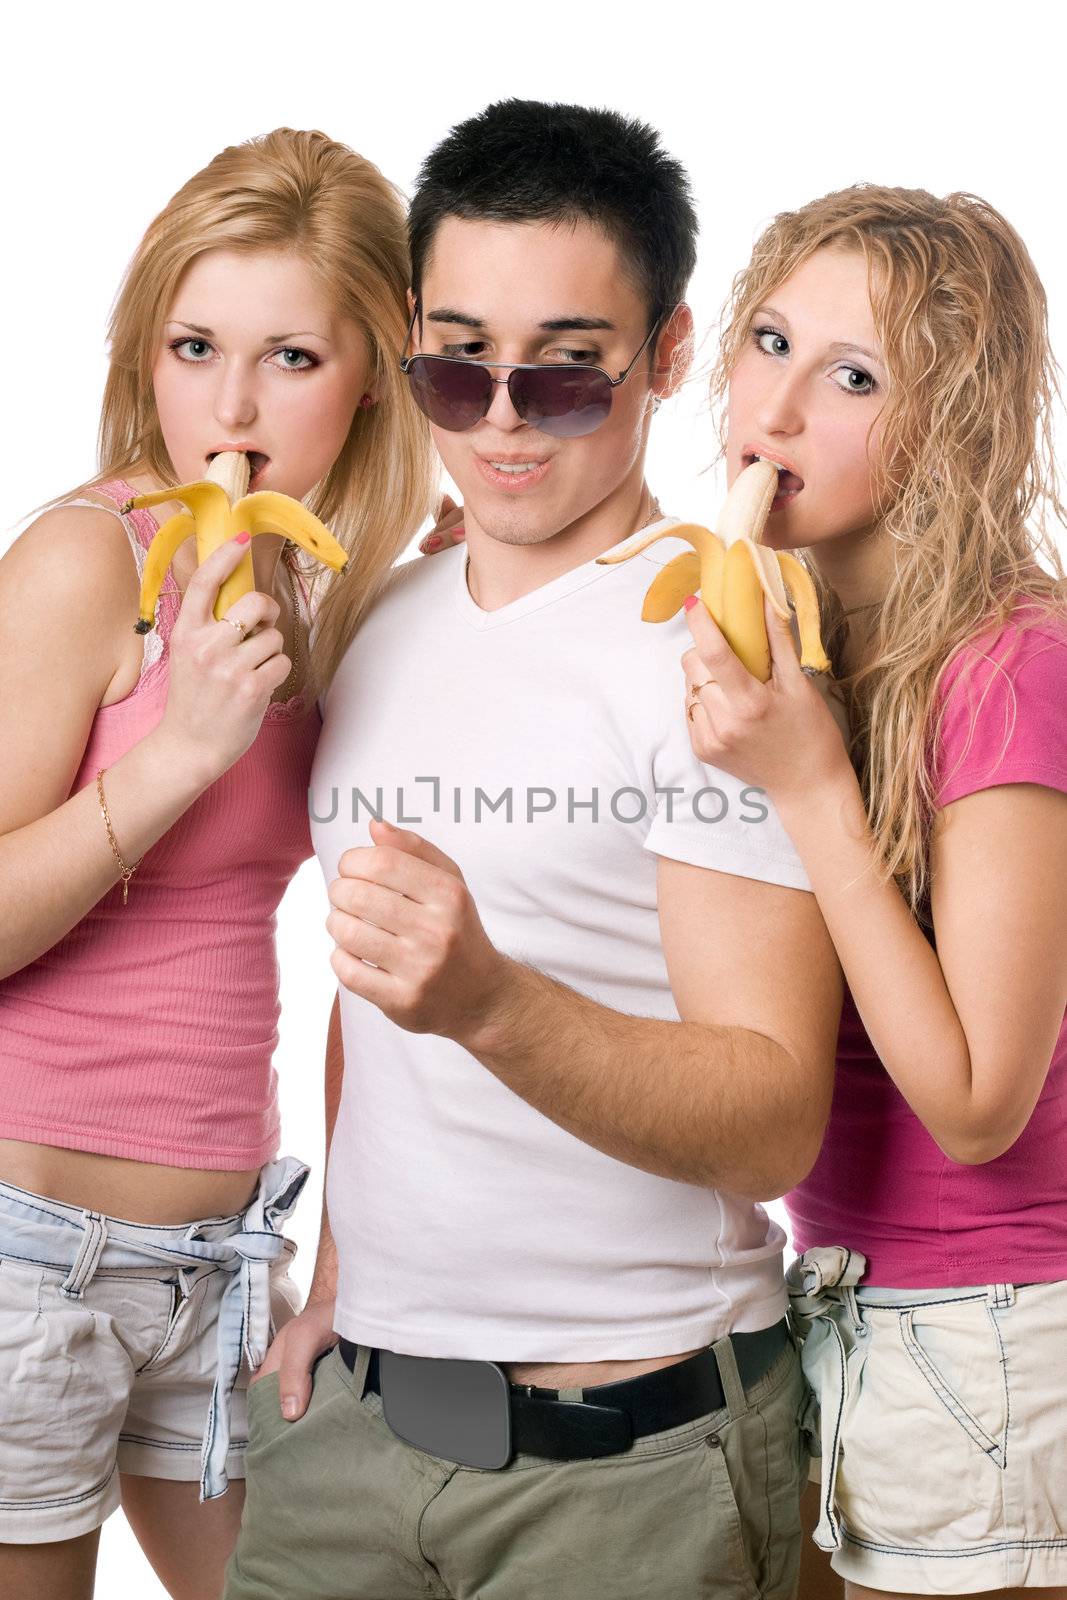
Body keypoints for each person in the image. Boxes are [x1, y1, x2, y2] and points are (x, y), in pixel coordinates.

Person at [225, 98, 843, 1600]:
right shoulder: (379, 617)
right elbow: (370, 991)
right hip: (349, 1435)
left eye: (565, 375)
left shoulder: (717, 650)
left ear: (671, 356)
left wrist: (491, 1000)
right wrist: (336, 1283)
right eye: (453, 363)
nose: (499, 420)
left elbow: (771, 1120)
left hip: (626, 1471)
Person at [0, 127, 440, 1600]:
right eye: (194, 347)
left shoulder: (326, 592)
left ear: (376, 372)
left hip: (225, 1261)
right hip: (25, 1259)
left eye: (291, 360)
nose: (229, 408)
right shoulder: (85, 561)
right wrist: (178, 750)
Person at [678, 185, 1067, 1599]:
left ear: (951, 428)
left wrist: (812, 790)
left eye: (851, 377)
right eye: (768, 343)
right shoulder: (792, 632)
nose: (773, 412)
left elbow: (976, 1102)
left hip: (993, 1333)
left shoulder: (1004, 661)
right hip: (832, 1306)